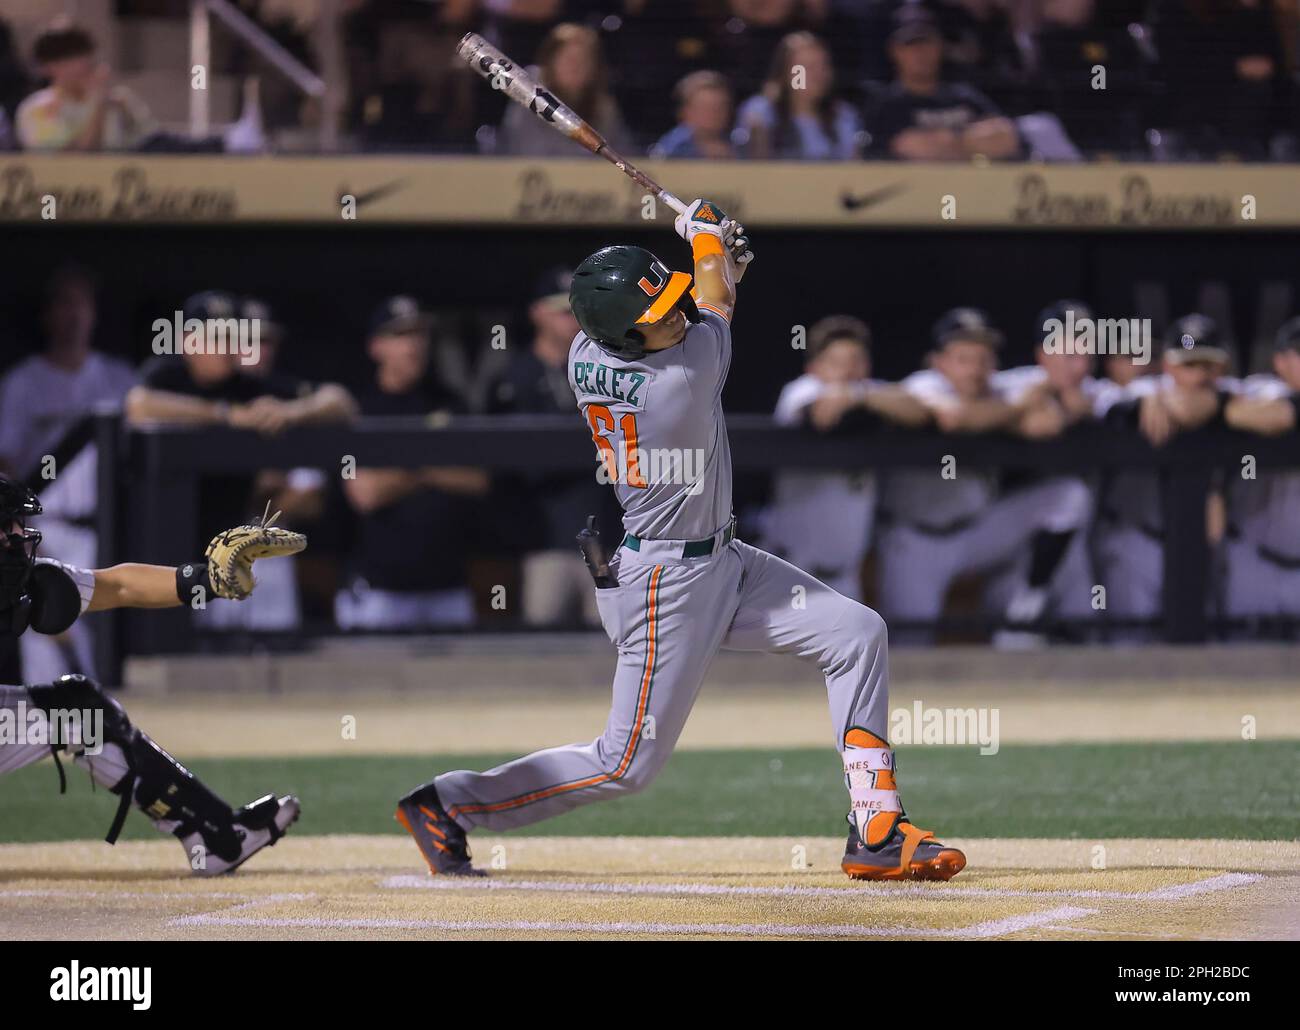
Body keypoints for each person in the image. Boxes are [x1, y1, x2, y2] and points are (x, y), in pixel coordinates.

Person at [395, 200, 967, 882]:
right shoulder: (681, 381)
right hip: (665, 583)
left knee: (856, 633)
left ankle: (875, 826)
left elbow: (707, 296)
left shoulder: (587, 349)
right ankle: (449, 804)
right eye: (656, 317)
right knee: (625, 765)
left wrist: (723, 258)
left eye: (669, 303)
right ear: (627, 339)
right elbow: (713, 301)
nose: (674, 317)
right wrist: (704, 236)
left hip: (722, 558)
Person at [0, 475, 300, 875]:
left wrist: (207, 579)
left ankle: (215, 836)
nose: (20, 534)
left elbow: (118, 586)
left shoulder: (17, 581)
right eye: (8, 525)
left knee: (80, 713)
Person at [126, 290, 356, 631]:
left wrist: (292, 412)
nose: (227, 347)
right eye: (215, 336)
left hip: (232, 547)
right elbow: (138, 405)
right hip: (169, 551)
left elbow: (341, 402)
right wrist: (224, 415)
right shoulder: (168, 374)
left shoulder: (249, 386)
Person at [875, 308, 1091, 644]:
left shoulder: (998, 388)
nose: (976, 369)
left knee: (1068, 496)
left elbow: (1044, 424)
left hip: (977, 532)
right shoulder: (923, 384)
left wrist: (1008, 411)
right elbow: (954, 418)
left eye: (983, 358)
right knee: (909, 650)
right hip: (916, 540)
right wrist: (1014, 412)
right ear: (939, 362)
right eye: (964, 358)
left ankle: (1024, 612)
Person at [0, 265, 137, 683]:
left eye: (82, 303)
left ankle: (107, 736)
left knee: (105, 644)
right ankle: (45, 740)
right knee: (41, 636)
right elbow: (4, 463)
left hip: (103, 529)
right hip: (45, 524)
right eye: (64, 303)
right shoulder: (23, 383)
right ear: (47, 315)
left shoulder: (117, 377)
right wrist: (13, 530)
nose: (74, 314)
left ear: (94, 313)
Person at [336, 297, 489, 630]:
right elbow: (366, 494)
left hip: (448, 585)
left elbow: (478, 480)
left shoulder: (449, 401)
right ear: (376, 346)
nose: (413, 345)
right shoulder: (360, 408)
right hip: (380, 588)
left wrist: (408, 470)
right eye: (401, 335)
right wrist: (433, 469)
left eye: (419, 334)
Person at [765, 315, 928, 599]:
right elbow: (823, 415)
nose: (848, 370)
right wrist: (863, 396)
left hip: (846, 578)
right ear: (814, 367)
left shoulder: (867, 393)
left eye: (856, 360)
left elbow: (919, 412)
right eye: (836, 362)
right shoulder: (800, 389)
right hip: (792, 569)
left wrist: (860, 394)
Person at [488, 269, 614, 627]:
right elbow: (511, 468)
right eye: (563, 310)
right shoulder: (516, 376)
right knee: (542, 645)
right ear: (538, 313)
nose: (573, 318)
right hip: (545, 543)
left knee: (612, 641)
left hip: (607, 539)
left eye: (578, 309)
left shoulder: (604, 372)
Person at [1093, 315, 1232, 638]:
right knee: (1128, 649)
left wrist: (1220, 404)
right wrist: (1156, 399)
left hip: (1202, 549)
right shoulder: (1143, 391)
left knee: (1206, 651)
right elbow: (1116, 405)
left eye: (1207, 365)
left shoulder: (1232, 394)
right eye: (1189, 364)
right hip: (1137, 542)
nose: (1198, 375)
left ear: (1222, 367)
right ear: (1168, 366)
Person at [862, 5, 1020, 160]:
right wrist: (971, 142)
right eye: (910, 45)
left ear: (940, 46)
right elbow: (898, 148)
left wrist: (947, 142)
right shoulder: (885, 106)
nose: (920, 52)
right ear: (894, 51)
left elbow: (1006, 137)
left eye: (926, 43)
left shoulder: (964, 97)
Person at [1221, 318, 1300, 623]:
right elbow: (1256, 412)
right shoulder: (1260, 388)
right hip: (1254, 562)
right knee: (1237, 659)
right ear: (1279, 361)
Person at [497, 24, 633, 158]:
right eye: (568, 59)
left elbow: (621, 157)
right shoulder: (529, 96)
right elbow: (525, 150)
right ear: (550, 63)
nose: (575, 67)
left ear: (594, 68)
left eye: (583, 60)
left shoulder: (604, 108)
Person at [16, 21, 154, 152]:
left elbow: (150, 143)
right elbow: (73, 159)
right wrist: (99, 105)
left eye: (84, 55)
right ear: (47, 67)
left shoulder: (119, 100)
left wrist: (121, 108)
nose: (82, 64)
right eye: (69, 59)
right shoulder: (36, 108)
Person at [737, 31, 861, 159]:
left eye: (824, 66)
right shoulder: (762, 111)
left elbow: (854, 166)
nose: (819, 75)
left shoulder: (844, 115)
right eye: (808, 68)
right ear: (785, 73)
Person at [650, 71, 737, 159]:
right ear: (685, 112)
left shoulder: (738, 141)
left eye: (721, 107)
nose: (715, 114)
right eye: (705, 108)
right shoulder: (672, 148)